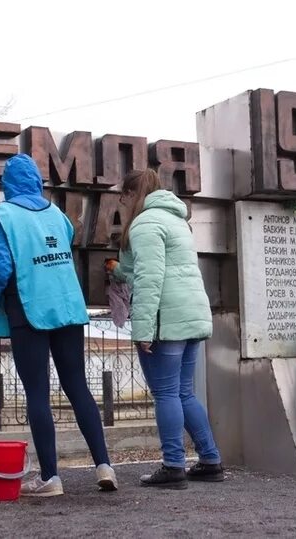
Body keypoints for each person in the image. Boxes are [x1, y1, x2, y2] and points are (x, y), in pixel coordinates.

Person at [0, 154, 117, 497]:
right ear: (36, 181)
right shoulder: (57, 215)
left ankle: (51, 478)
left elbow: (1, 267)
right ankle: (104, 466)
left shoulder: (2, 216)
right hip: (67, 307)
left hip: (28, 309)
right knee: (77, 386)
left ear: (7, 185)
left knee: (37, 392)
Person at [107, 169, 223, 489]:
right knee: (184, 392)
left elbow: (150, 277)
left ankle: (173, 465)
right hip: (191, 314)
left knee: (166, 394)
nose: (121, 202)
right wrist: (119, 271)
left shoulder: (145, 223)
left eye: (124, 196)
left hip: (166, 321)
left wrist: (142, 329)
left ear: (133, 195)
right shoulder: (177, 221)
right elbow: (147, 271)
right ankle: (210, 459)